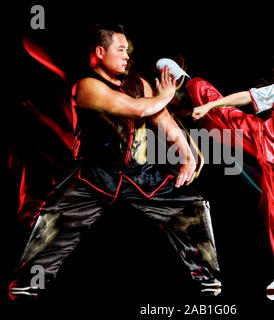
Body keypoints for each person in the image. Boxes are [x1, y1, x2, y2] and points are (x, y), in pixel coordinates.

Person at [9, 22, 221, 300]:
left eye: (128, 50)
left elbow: (163, 119)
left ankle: (208, 281)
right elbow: (136, 109)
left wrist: (187, 155)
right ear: (99, 52)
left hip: (138, 174)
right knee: (54, 223)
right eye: (120, 50)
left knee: (191, 208)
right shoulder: (86, 87)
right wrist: (165, 95)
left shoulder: (138, 83)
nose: (126, 56)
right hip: (92, 175)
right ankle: (27, 284)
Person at [187, 18, 274, 294]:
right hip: (264, 138)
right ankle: (190, 84)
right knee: (226, 114)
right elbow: (244, 97)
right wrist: (212, 104)